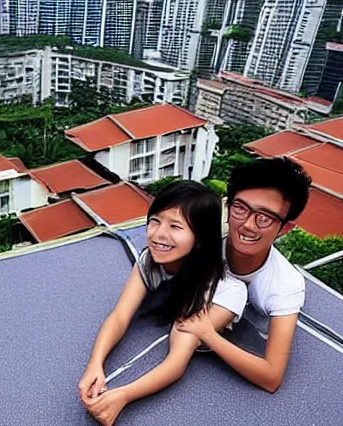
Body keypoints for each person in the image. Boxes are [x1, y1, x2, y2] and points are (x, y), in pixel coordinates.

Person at [78, 181, 248, 426]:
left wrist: (123, 396)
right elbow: (119, 316)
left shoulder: (222, 293)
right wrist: (95, 364)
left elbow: (177, 360)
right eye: (155, 220)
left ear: (200, 237)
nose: (158, 234)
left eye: (175, 226)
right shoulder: (151, 260)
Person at [177, 157, 312, 394]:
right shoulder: (201, 238)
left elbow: (271, 377)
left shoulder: (285, 285)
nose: (248, 225)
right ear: (228, 207)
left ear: (285, 228)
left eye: (265, 217)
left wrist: (207, 333)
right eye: (241, 208)